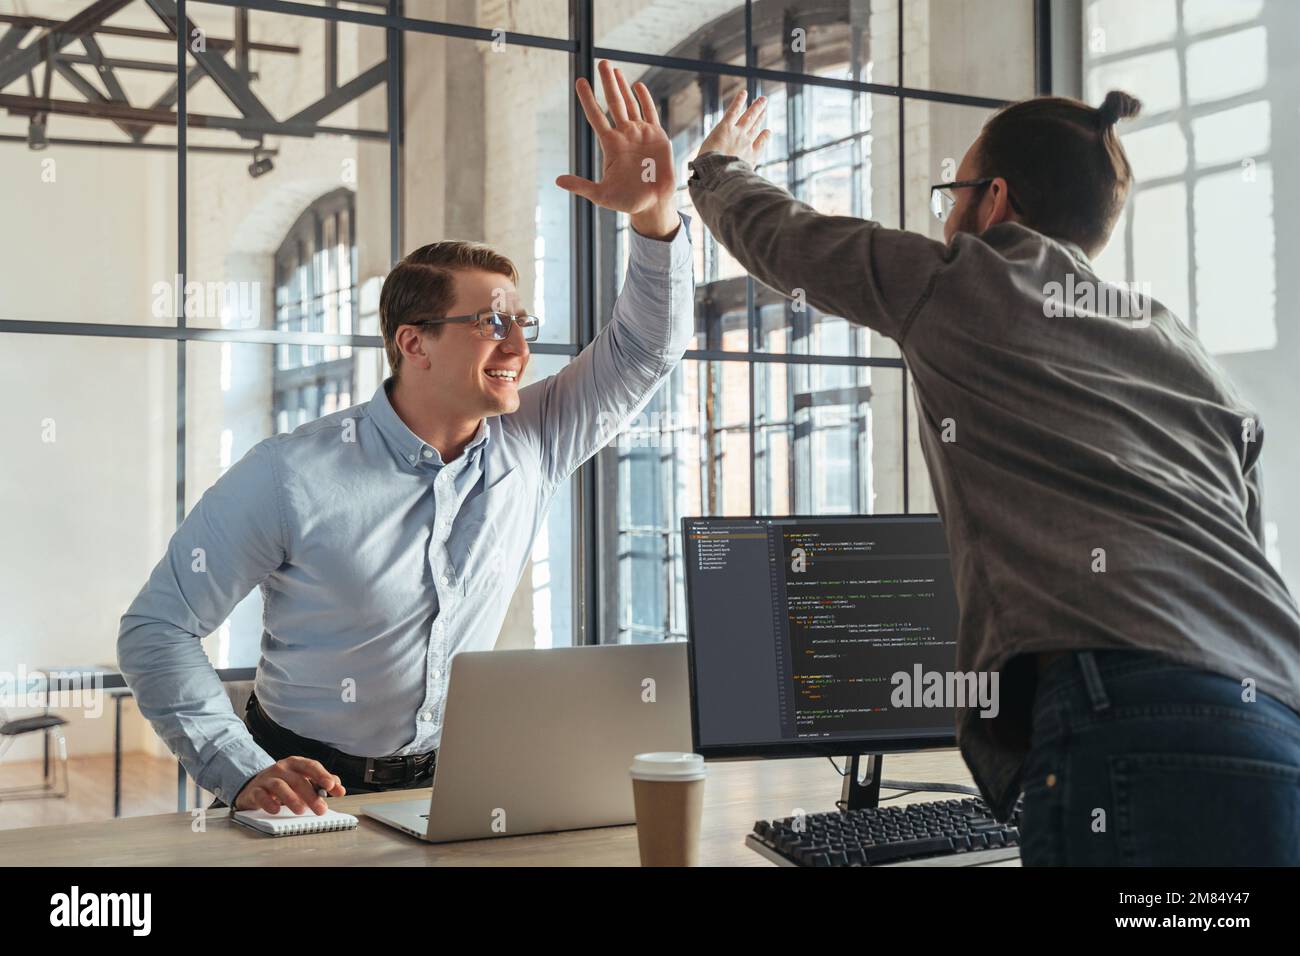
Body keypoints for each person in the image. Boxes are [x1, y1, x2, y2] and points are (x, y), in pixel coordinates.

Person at [685, 87, 1300, 865]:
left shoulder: (961, 281)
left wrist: (716, 168)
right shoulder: (1187, 354)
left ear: (996, 198)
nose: (947, 218)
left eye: (953, 195)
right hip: (1279, 715)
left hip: (1128, 711)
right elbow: (1240, 543)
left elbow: (789, 239)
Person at [119, 61, 693, 816]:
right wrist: (241, 768)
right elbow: (158, 627)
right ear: (413, 343)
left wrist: (655, 218)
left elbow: (645, 352)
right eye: (491, 323)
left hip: (454, 780)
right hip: (305, 787)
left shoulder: (534, 440)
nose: (518, 345)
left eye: (522, 322)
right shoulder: (289, 475)